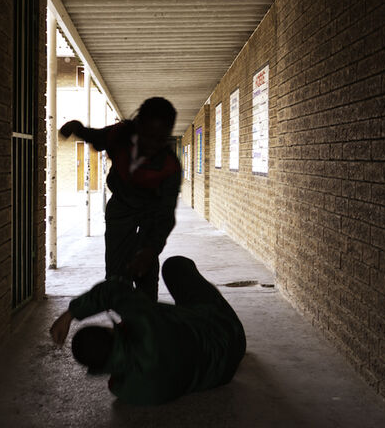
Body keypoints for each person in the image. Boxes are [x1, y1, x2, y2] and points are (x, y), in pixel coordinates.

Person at [49, 256, 246, 405]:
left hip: (222, 375)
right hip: (226, 331)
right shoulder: (145, 323)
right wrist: (69, 315)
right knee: (175, 266)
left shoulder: (126, 391)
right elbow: (113, 291)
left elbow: (117, 380)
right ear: (110, 332)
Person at [59, 97, 181, 302]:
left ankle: (145, 314)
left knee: (146, 271)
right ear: (138, 125)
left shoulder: (169, 166)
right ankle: (119, 312)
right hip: (121, 207)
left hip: (151, 211)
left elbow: (166, 215)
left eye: (160, 139)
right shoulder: (120, 135)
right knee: (116, 273)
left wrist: (150, 250)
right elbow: (95, 137)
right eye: (148, 136)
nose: (152, 145)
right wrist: (76, 127)